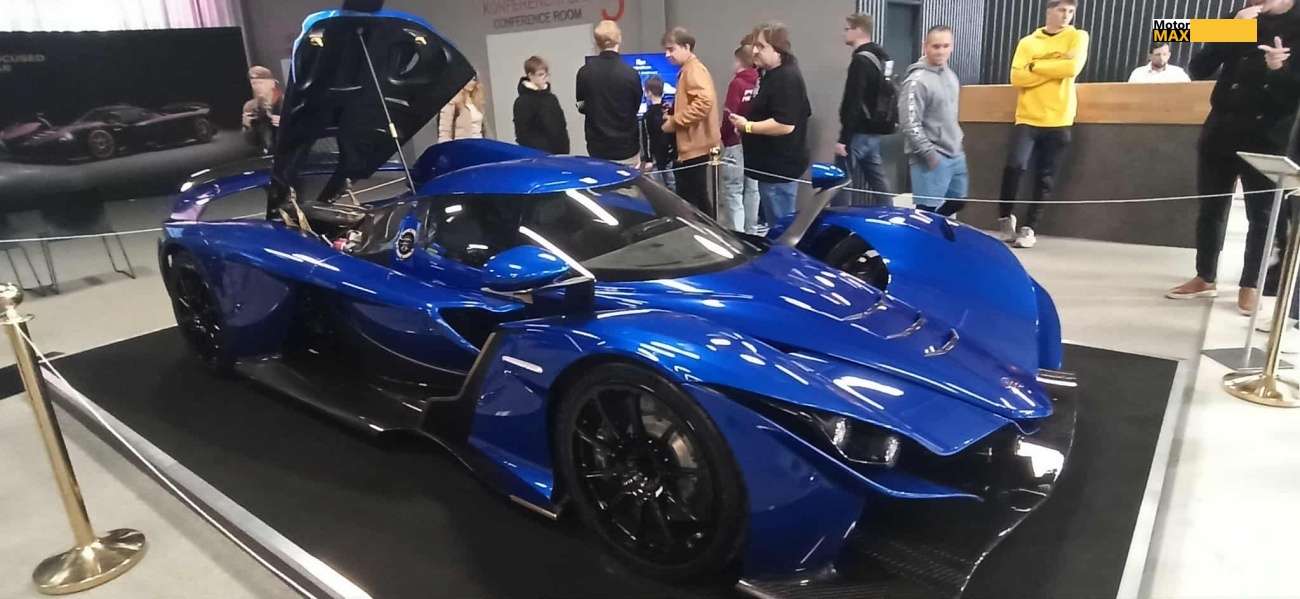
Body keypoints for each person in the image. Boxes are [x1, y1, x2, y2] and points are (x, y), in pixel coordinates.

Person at [1166, 0, 1299, 314]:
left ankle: (1250, 284)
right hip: (1221, 130)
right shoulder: (1240, 17)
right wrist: (1231, 29)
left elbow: (1293, 94)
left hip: (1267, 136)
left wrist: (1278, 70)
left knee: (1261, 216)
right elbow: (1198, 68)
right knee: (1210, 209)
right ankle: (1205, 276)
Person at [996, 0, 1089, 249]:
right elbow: (1017, 77)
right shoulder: (1028, 42)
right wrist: (1054, 68)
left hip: (1059, 117)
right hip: (1028, 116)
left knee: (1045, 176)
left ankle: (1030, 227)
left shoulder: (1078, 37)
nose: (1066, 15)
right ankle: (1005, 217)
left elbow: (1072, 67)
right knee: (1015, 166)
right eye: (1061, 10)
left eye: (1071, 11)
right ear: (1049, 10)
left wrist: (1035, 66)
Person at [729, 22, 812, 225]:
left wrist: (748, 126)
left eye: (761, 46)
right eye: (754, 45)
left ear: (778, 49)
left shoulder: (786, 78)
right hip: (770, 168)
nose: (754, 51)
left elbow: (785, 124)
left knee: (780, 229)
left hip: (778, 171)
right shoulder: (771, 75)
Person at [900, 25, 967, 217]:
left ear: (952, 47)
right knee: (926, 213)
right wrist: (929, 154)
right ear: (925, 46)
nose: (941, 51)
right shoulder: (916, 81)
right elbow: (909, 123)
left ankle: (937, 229)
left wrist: (958, 143)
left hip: (955, 152)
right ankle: (923, 234)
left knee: (958, 201)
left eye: (946, 46)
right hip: (930, 155)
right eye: (936, 46)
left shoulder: (951, 76)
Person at [661, 27, 721, 215]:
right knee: (695, 199)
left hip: (695, 148)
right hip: (693, 146)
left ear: (686, 47)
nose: (667, 54)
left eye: (671, 49)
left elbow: (704, 102)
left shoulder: (693, 70)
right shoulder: (688, 70)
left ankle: (706, 231)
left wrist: (675, 121)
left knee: (694, 201)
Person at [836, 13, 894, 207]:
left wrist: (843, 139)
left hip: (858, 132)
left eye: (847, 29)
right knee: (877, 178)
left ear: (859, 30)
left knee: (841, 179)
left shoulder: (860, 61)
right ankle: (889, 210)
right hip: (874, 131)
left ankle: (841, 216)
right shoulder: (882, 58)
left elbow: (853, 100)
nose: (844, 33)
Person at [575, 20, 643, 164]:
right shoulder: (631, 74)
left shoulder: (584, 73)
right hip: (627, 147)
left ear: (596, 42)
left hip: (597, 148)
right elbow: (635, 107)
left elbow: (580, 106)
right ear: (619, 39)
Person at [721, 38, 761, 234]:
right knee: (753, 189)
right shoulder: (760, 81)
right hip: (755, 142)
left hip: (735, 142)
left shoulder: (737, 84)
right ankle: (752, 231)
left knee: (733, 190)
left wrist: (725, 137)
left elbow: (729, 114)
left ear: (739, 61)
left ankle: (737, 235)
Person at [514, 56, 570, 155]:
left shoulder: (551, 98)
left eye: (546, 74)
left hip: (559, 153)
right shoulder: (522, 102)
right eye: (540, 74)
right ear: (530, 76)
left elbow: (561, 125)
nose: (545, 77)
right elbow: (523, 134)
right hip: (538, 155)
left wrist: (564, 148)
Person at [639, 76, 677, 187]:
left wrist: (648, 159)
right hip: (669, 154)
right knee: (672, 185)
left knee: (657, 187)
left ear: (648, 92)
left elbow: (646, 138)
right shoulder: (669, 112)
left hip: (655, 156)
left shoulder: (647, 116)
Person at [241, 65, 282, 154]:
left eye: (260, 83)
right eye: (254, 83)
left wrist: (286, 123)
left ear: (272, 83)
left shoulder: (287, 102)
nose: (257, 87)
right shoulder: (251, 106)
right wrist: (247, 126)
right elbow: (252, 142)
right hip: (266, 154)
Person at [439, 76, 485, 143]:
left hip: (479, 142)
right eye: (468, 79)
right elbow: (444, 130)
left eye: (474, 79)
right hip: (462, 143)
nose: (471, 82)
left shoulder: (476, 101)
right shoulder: (453, 101)